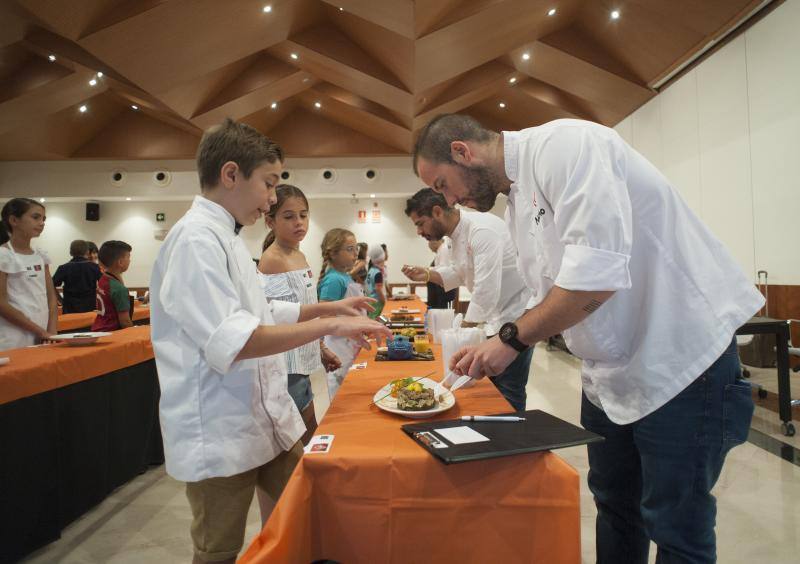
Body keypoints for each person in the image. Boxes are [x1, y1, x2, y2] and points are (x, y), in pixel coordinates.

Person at [412, 113, 764, 564]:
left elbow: (595, 278)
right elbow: (548, 296)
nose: (448, 198)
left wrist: (511, 340)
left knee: (676, 525)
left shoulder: (568, 145)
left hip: (679, 363)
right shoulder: (517, 200)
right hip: (608, 374)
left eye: (442, 184)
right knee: (615, 507)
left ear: (463, 152)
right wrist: (496, 341)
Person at [149, 119, 390, 564]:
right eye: (268, 183)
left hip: (265, 418)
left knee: (303, 519)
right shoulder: (194, 241)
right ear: (230, 174)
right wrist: (329, 328)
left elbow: (262, 313)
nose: (273, 197)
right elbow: (236, 340)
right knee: (218, 550)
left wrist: (326, 310)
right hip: (220, 429)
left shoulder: (227, 237)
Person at [401, 188, 532, 411]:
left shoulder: (481, 230)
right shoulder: (454, 236)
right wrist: (428, 273)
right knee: (493, 386)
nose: (419, 231)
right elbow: (460, 272)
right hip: (494, 318)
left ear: (437, 211)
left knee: (509, 388)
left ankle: (513, 439)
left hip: (515, 317)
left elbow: (485, 290)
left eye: (420, 223)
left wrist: (461, 330)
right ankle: (495, 433)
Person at [258, 184, 342, 444]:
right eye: (289, 216)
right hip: (286, 365)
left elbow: (307, 310)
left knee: (310, 434)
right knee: (295, 442)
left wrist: (319, 348)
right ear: (270, 220)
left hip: (304, 361)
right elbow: (280, 319)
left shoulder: (299, 254)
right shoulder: (272, 259)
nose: (299, 223)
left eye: (303, 215)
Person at [0, 198, 58, 350]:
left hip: (43, 335)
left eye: (43, 219)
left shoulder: (40, 256)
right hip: (13, 336)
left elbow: (51, 297)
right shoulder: (3, 255)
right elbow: (1, 304)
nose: (41, 223)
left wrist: (52, 331)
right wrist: (40, 331)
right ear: (14, 220)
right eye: (35, 217)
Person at [317, 228, 364, 399]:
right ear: (334, 253)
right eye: (349, 249)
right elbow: (325, 318)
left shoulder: (344, 277)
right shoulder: (334, 280)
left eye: (356, 248)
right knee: (340, 393)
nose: (355, 254)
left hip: (349, 343)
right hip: (338, 346)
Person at [92, 240, 133, 331]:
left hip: (99, 327)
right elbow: (125, 321)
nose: (130, 260)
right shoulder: (119, 289)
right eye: (128, 257)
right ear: (120, 262)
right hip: (112, 332)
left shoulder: (103, 279)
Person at [52, 239, 102, 313]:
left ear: (70, 252)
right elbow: (104, 284)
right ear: (87, 252)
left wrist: (60, 300)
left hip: (69, 309)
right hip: (89, 308)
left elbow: (51, 285)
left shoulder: (63, 268)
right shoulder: (94, 267)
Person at [426, 238, 457, 309]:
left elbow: (443, 268)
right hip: (438, 291)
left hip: (444, 291)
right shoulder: (440, 251)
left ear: (434, 242)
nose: (430, 248)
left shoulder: (444, 249)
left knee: (443, 313)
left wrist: (427, 270)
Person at [365, 244, 386, 319]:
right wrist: (384, 301)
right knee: (376, 321)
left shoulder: (371, 270)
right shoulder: (378, 273)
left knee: (372, 319)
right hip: (377, 302)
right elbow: (378, 289)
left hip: (370, 301)